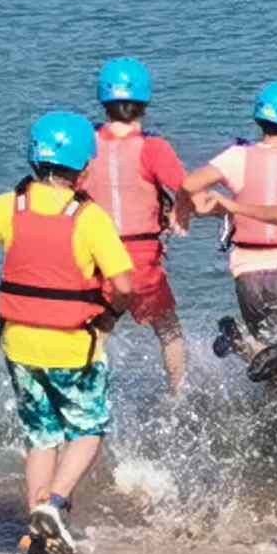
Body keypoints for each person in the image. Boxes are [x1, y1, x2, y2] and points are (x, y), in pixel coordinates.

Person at [0, 110, 131, 554]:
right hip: (73, 346)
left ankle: (34, 542)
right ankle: (55, 505)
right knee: (88, 430)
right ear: (84, 168)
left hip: (20, 346)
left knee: (41, 437)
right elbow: (125, 284)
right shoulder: (89, 219)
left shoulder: (9, 207)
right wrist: (109, 316)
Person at [185, 80, 277, 376]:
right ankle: (240, 344)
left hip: (246, 271)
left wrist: (212, 210)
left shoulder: (237, 156)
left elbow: (190, 185)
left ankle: (239, 342)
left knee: (271, 362)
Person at [84, 56, 196, 398]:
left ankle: (86, 393)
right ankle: (179, 395)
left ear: (104, 101)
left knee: (99, 330)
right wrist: (183, 213)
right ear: (144, 102)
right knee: (169, 330)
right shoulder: (153, 147)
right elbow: (185, 186)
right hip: (142, 256)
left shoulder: (87, 145)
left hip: (99, 255)